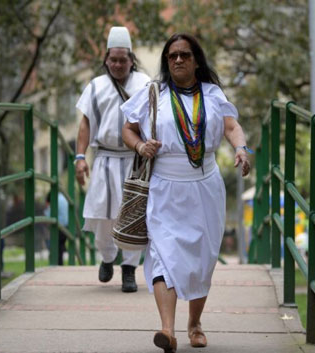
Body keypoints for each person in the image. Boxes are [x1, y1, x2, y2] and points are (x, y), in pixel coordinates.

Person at [121, 33, 251, 352]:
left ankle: (194, 324)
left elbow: (232, 126)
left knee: (202, 260)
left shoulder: (212, 93)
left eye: (185, 55)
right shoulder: (154, 94)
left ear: (196, 60)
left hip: (206, 186)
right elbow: (127, 128)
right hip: (164, 187)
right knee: (163, 254)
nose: (178, 60)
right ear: (166, 62)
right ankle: (167, 330)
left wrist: (242, 149)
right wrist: (140, 144)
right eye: (172, 56)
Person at [75, 26, 150, 292]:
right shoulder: (95, 86)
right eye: (113, 60)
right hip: (105, 160)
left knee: (133, 215)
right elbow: (85, 125)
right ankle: (107, 258)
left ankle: (129, 269)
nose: (118, 64)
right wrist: (80, 157)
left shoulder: (144, 84)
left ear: (131, 60)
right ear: (106, 59)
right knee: (103, 218)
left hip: (135, 160)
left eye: (123, 60)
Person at [44, 191, 68, 265]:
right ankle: (59, 265)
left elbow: (48, 215)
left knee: (55, 250)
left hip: (58, 228)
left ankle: (56, 265)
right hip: (66, 227)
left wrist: (47, 208)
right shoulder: (63, 198)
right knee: (59, 249)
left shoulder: (55, 200)